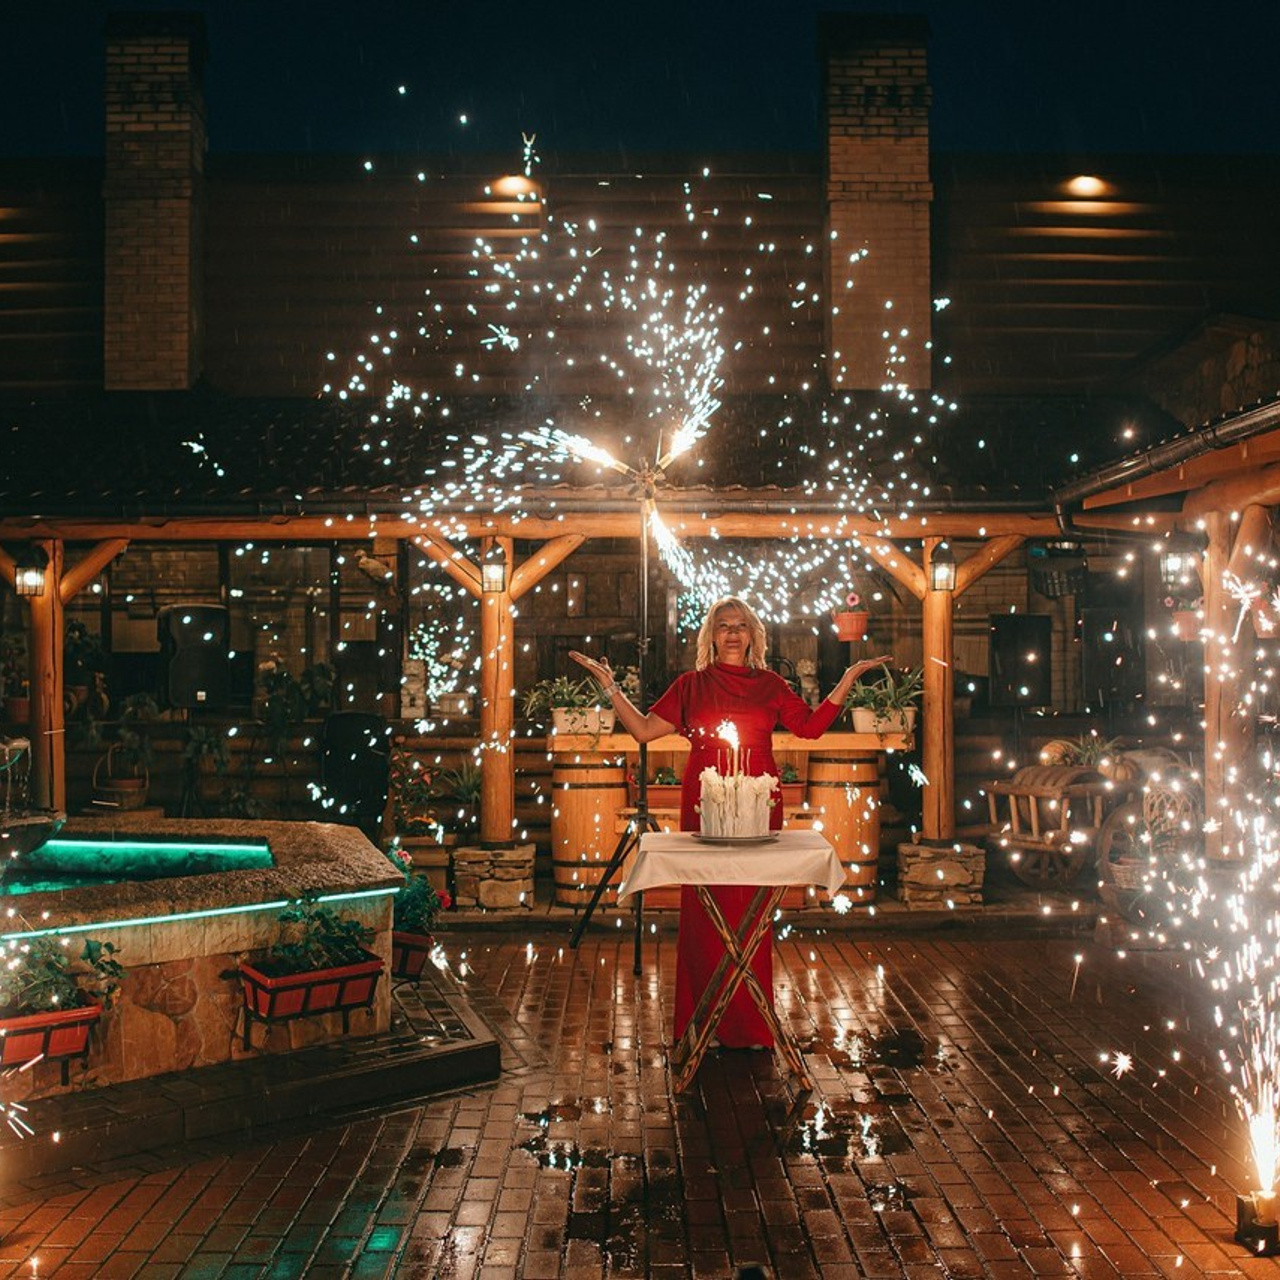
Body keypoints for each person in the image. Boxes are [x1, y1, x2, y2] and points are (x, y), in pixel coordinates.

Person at [571, 597, 889, 1050]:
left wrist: (846, 680)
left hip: (760, 798)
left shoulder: (771, 684)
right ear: (711, 635)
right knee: (705, 913)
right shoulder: (690, 685)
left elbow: (811, 729)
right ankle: (704, 1022)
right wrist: (611, 688)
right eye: (724, 626)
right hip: (705, 800)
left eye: (741, 625)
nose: (734, 633)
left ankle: (749, 1024)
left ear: (754, 635)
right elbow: (642, 731)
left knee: (751, 914)